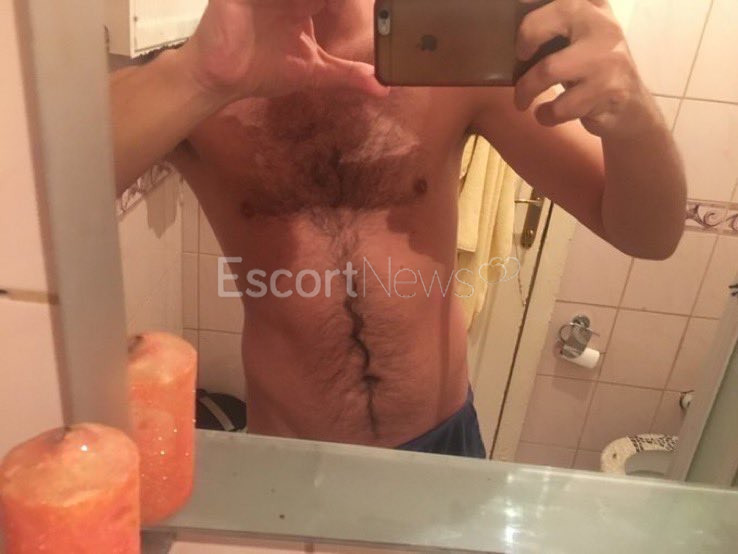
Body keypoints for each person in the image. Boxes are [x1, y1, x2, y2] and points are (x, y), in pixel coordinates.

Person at [110, 0, 686, 457]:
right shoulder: (199, 76)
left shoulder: (451, 62)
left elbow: (648, 235)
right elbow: (56, 205)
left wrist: (634, 113)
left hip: (442, 443)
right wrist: (201, 78)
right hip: (290, 453)